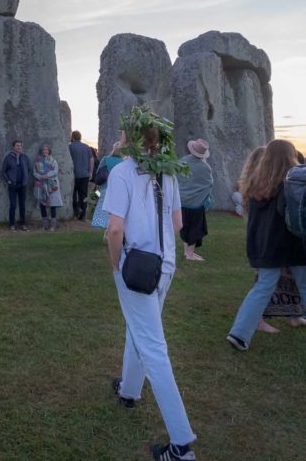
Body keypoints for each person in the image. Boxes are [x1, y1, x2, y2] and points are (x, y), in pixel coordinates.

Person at [102, 108, 196, 461]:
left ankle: (181, 444)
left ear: (130, 137)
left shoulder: (124, 173)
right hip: (164, 265)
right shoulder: (167, 174)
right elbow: (176, 223)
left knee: (154, 347)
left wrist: (116, 262)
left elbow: (113, 228)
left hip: (135, 267)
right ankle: (129, 389)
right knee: (139, 327)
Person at [225, 140, 306, 351]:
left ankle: (239, 333)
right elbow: (293, 217)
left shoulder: (255, 182)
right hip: (291, 244)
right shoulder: (292, 183)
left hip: (264, 243)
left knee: (262, 287)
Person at [177, 139, 213, 262]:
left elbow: (177, 179)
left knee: (185, 226)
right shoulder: (205, 167)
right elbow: (208, 184)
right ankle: (190, 254)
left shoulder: (183, 161)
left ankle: (187, 253)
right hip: (196, 204)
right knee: (194, 228)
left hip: (181, 201)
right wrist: (205, 199)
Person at [91, 142, 126, 230]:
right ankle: (114, 226)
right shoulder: (124, 161)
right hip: (119, 188)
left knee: (104, 207)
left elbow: (98, 171)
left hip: (105, 186)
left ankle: (104, 226)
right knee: (116, 210)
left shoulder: (106, 159)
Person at [33, 144, 63, 231]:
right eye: (43, 150)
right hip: (41, 183)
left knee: (53, 204)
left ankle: (53, 225)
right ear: (41, 151)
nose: (45, 151)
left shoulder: (53, 160)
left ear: (49, 151)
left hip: (52, 183)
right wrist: (40, 177)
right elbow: (34, 172)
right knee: (42, 203)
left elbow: (55, 170)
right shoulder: (37, 161)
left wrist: (47, 175)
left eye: (46, 150)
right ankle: (44, 224)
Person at [2, 140, 30, 231]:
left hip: (23, 184)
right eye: (17, 146)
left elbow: (28, 169)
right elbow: (3, 171)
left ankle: (23, 224)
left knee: (22, 205)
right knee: (13, 205)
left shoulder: (25, 157)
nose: (19, 147)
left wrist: (25, 179)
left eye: (20, 146)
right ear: (13, 147)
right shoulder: (8, 158)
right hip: (13, 184)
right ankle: (12, 224)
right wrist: (8, 181)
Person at [68, 130, 94, 221]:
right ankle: (83, 214)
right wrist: (90, 172)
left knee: (73, 193)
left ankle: (76, 210)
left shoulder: (70, 147)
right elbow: (91, 160)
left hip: (73, 175)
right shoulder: (86, 147)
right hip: (85, 174)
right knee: (84, 195)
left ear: (73, 137)